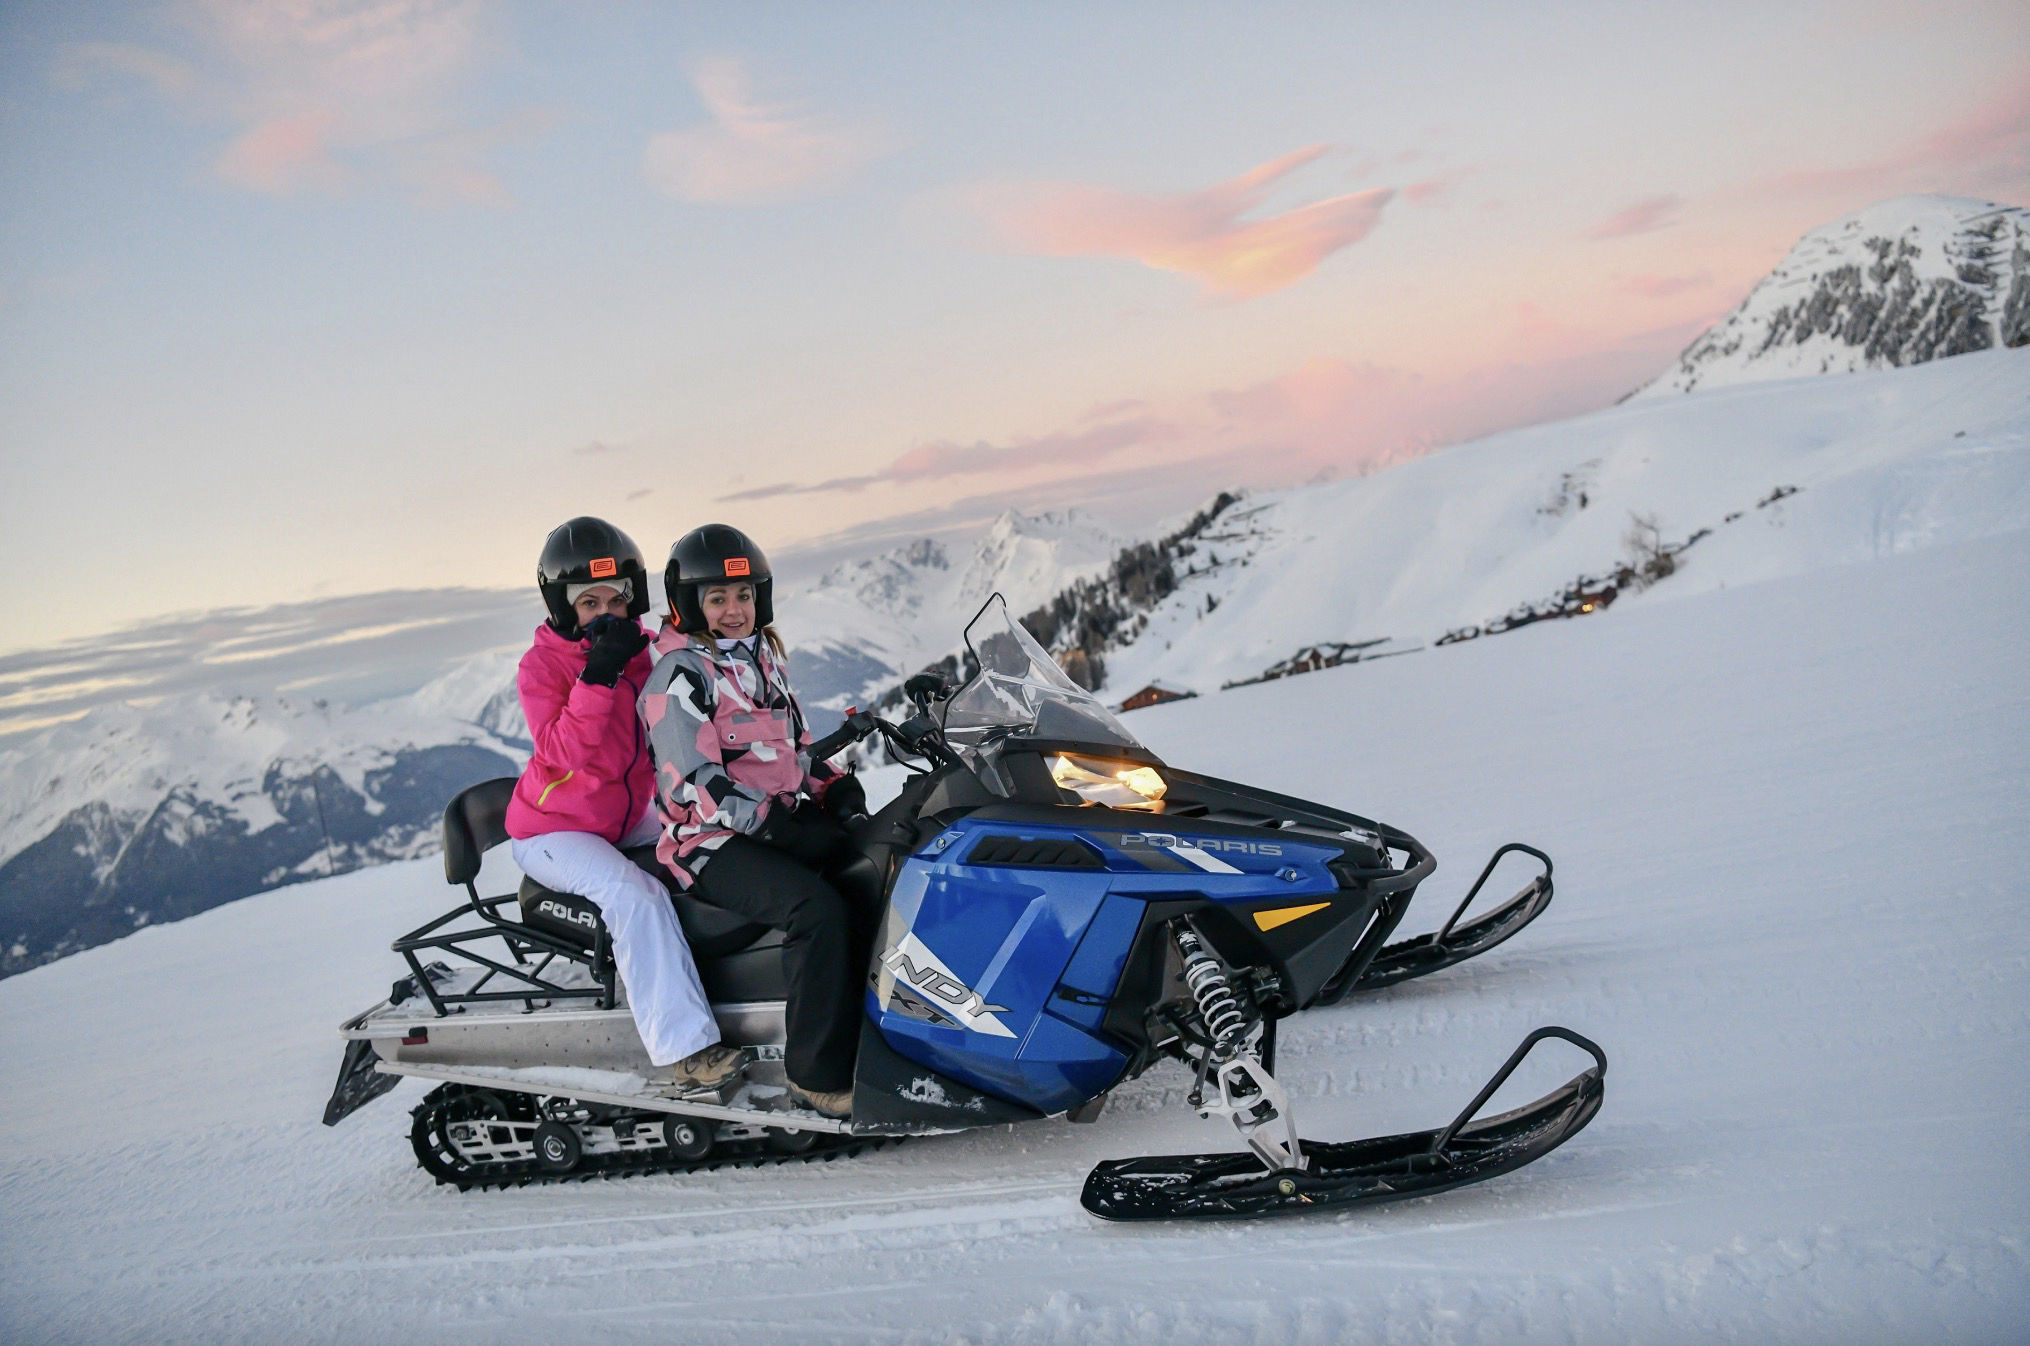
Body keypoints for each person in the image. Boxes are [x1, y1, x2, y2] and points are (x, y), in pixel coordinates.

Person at [504, 516, 745, 1094]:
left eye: (617, 599)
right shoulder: (543, 668)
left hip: (625, 813)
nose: (606, 614)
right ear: (563, 607)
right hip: (553, 829)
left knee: (711, 840)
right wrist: (598, 676)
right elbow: (561, 757)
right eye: (589, 602)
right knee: (633, 893)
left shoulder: (641, 651)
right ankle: (686, 1050)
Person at [639, 523, 869, 1119]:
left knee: (870, 871)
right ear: (690, 605)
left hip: (774, 824)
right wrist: (776, 827)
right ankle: (814, 1076)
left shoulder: (763, 659)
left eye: (743, 597)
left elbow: (796, 751)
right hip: (708, 845)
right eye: (717, 599)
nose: (735, 610)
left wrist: (835, 788)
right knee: (814, 910)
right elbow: (695, 781)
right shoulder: (680, 675)